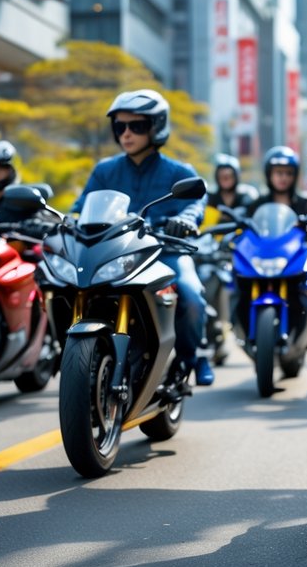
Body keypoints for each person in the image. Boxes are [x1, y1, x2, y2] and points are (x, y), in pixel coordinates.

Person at [72, 90, 214, 387]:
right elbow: (80, 207)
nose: (126, 133)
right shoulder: (104, 170)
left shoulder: (179, 171)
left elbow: (196, 202)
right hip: (114, 254)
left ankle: (190, 358)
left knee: (190, 296)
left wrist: (185, 219)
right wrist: (66, 221)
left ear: (156, 127)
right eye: (120, 126)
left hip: (164, 251)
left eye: (136, 126)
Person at [246, 146, 307, 219]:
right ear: (269, 174)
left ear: (295, 176)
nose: (284, 178)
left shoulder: (304, 202)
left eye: (289, 173)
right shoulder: (258, 204)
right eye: (279, 172)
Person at [205, 153, 259, 226]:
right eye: (222, 176)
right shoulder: (210, 197)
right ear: (217, 177)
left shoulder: (247, 196)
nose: (225, 179)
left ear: (236, 176)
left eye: (229, 176)